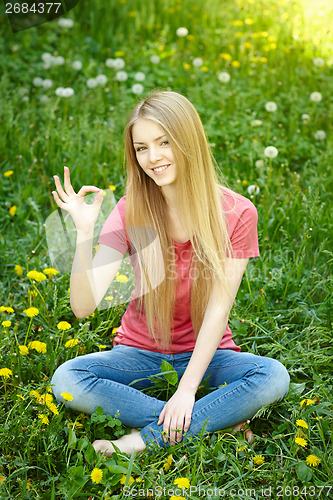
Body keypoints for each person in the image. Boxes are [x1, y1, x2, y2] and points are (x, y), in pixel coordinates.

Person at [51, 90, 290, 457]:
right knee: (67, 380)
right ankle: (215, 423)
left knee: (273, 376)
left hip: (209, 355)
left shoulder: (237, 214)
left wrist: (187, 390)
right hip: (140, 353)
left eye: (164, 142)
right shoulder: (131, 211)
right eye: (142, 147)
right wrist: (84, 234)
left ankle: (142, 440)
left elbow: (217, 310)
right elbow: (84, 306)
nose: (154, 157)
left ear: (188, 140)